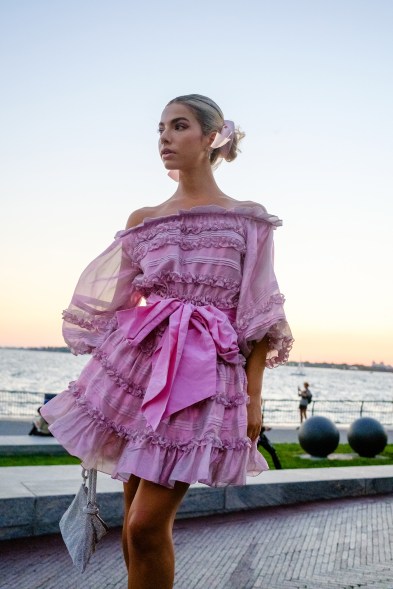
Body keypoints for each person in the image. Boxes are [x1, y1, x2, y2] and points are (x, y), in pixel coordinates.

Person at [40, 94, 293, 589]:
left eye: (178, 127)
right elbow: (111, 296)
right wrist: (111, 360)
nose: (164, 139)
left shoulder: (247, 219)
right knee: (135, 528)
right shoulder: (144, 219)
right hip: (141, 372)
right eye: (160, 129)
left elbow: (260, 312)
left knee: (146, 525)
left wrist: (255, 396)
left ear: (211, 138)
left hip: (201, 381)